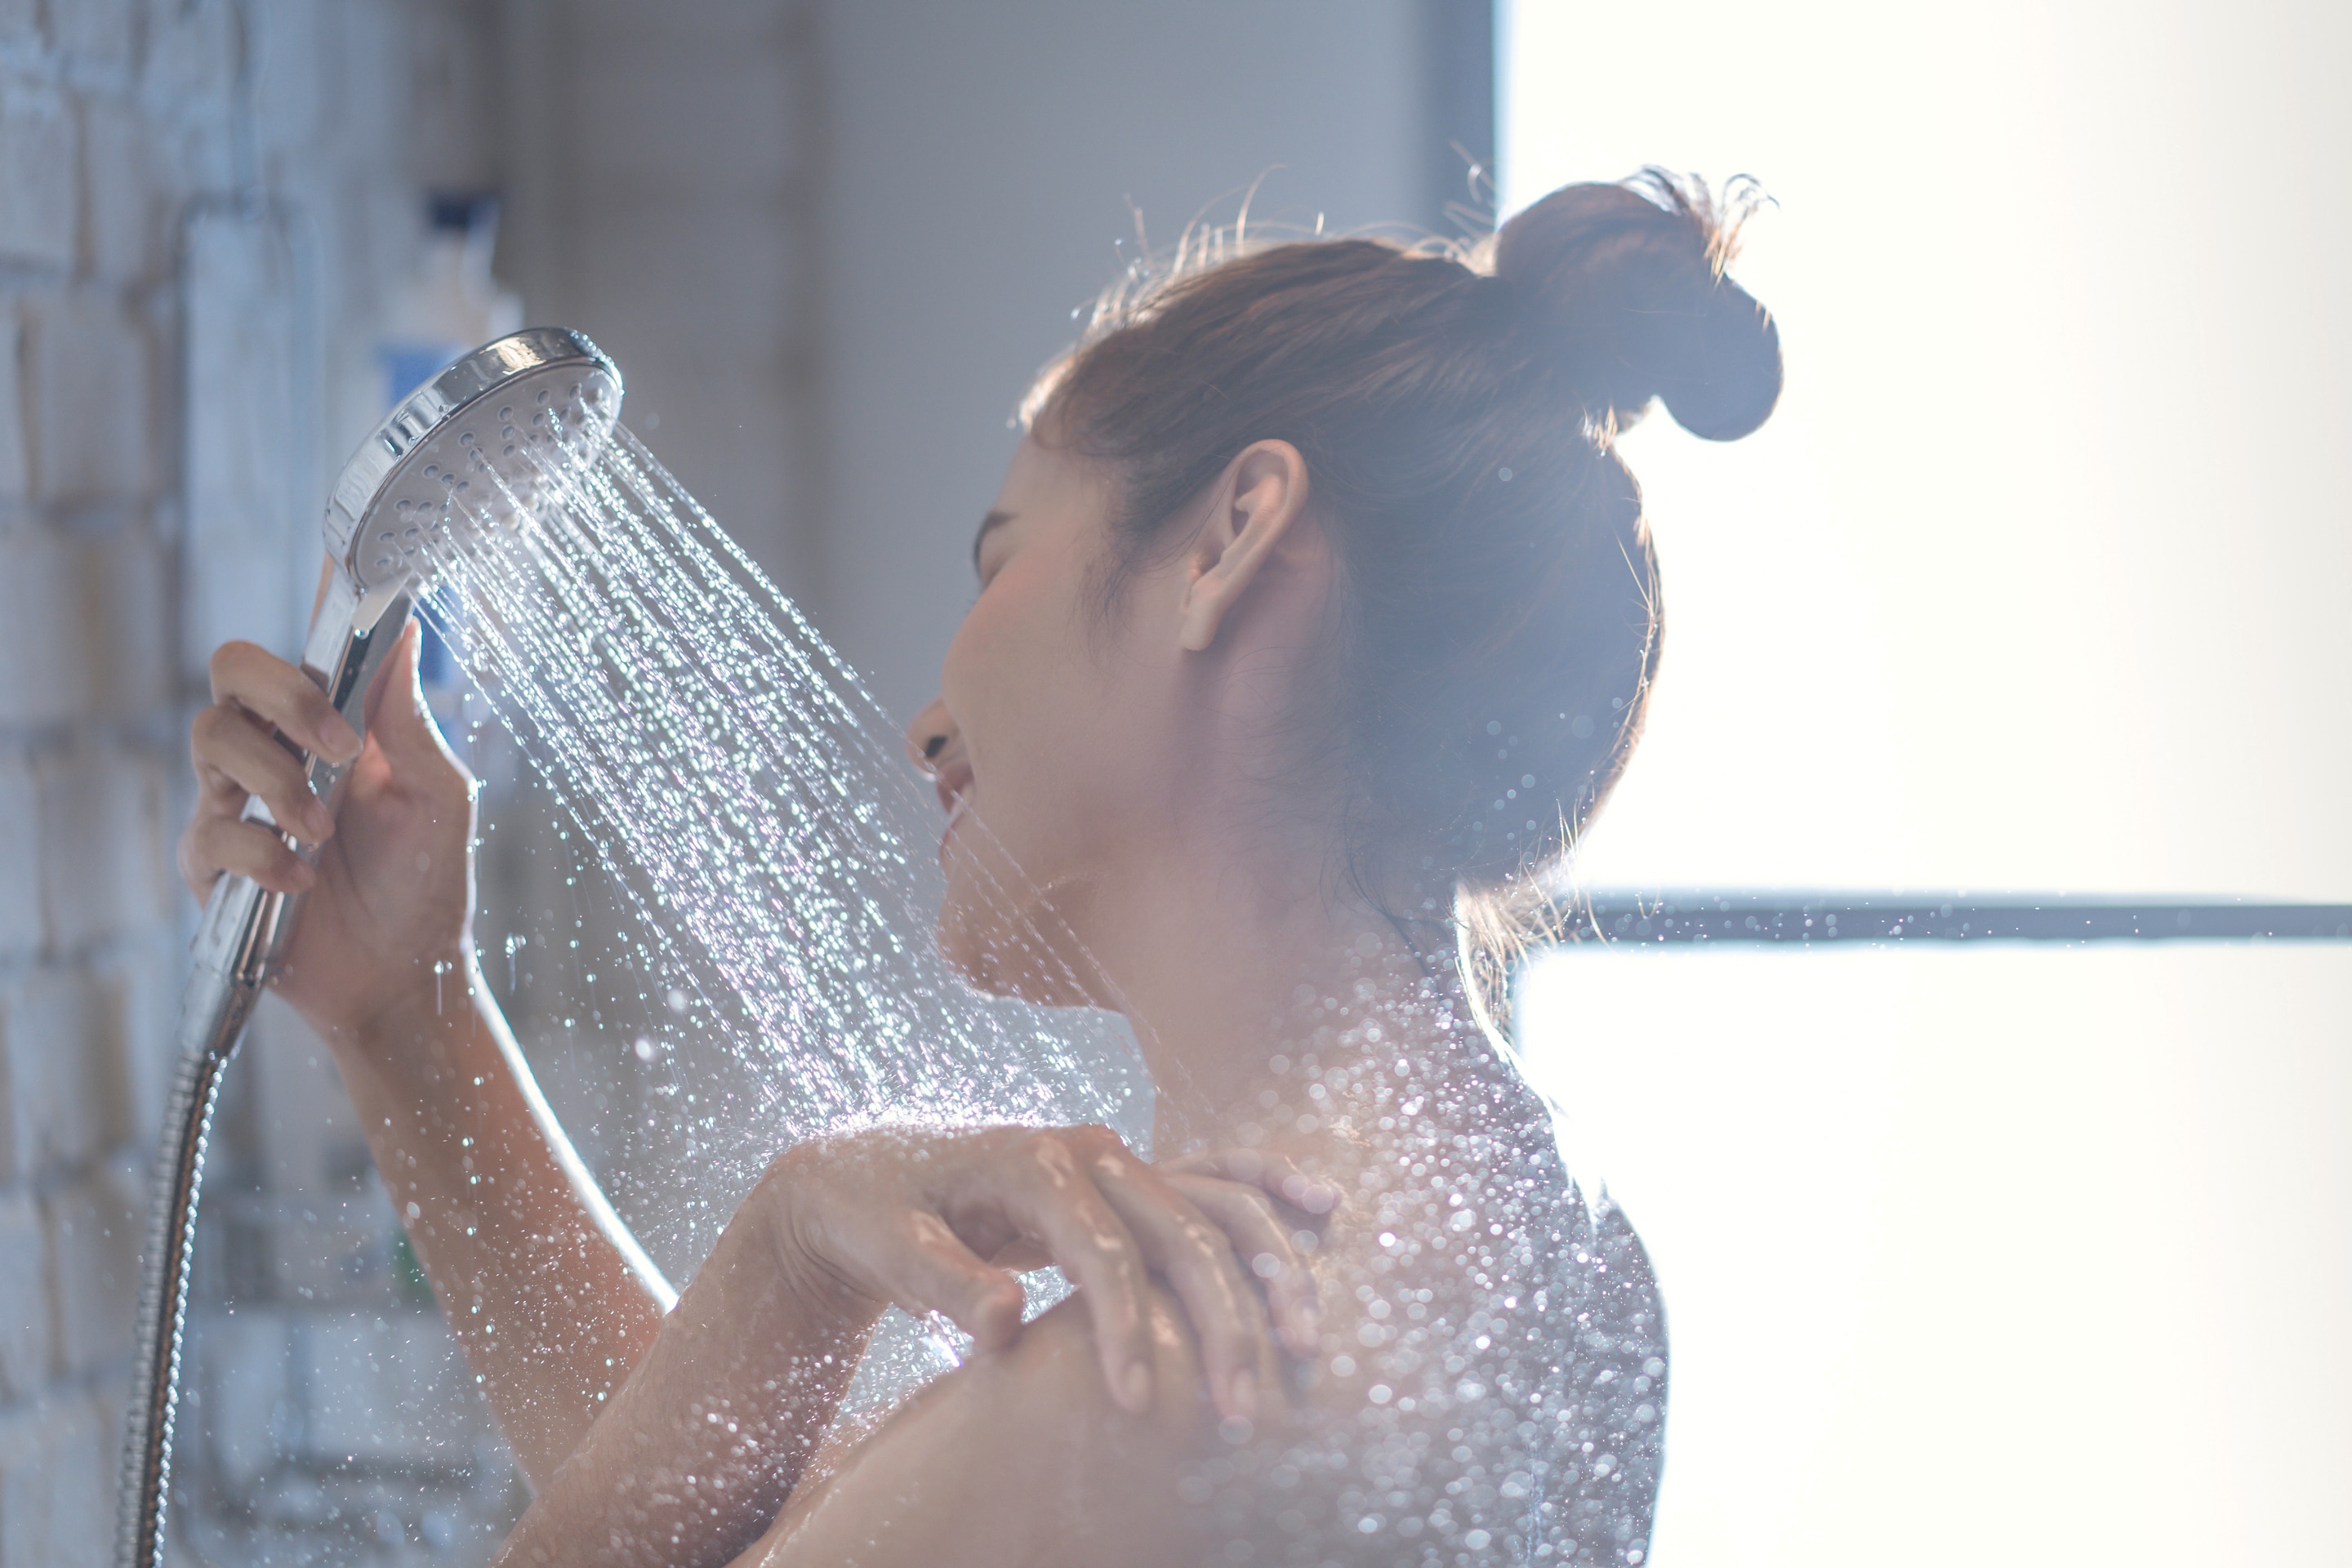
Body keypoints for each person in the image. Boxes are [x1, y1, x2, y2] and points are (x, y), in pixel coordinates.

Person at [180, 171, 1780, 1566]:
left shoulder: (1200, 1374)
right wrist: (413, 1013)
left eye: (1003, 551)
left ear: (1226, 544)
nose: (931, 717)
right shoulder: (1538, 1263)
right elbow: (816, 1529)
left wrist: (794, 1245)